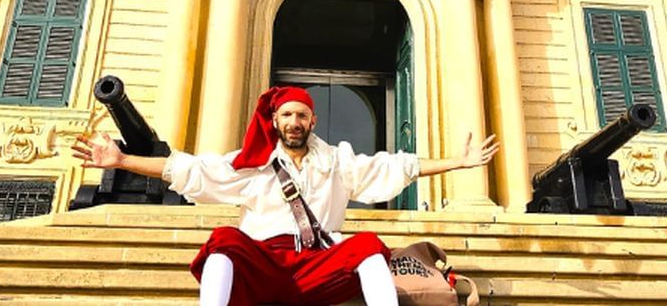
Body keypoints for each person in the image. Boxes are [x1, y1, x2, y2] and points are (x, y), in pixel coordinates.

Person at [71, 85, 498, 306]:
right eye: (287, 115)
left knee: (368, 245)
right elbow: (189, 170)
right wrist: (122, 160)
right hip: (266, 263)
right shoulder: (251, 164)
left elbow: (393, 166)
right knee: (223, 240)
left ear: (313, 121)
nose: (295, 121)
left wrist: (456, 164)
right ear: (275, 121)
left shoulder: (337, 161)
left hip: (318, 264)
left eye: (302, 115)